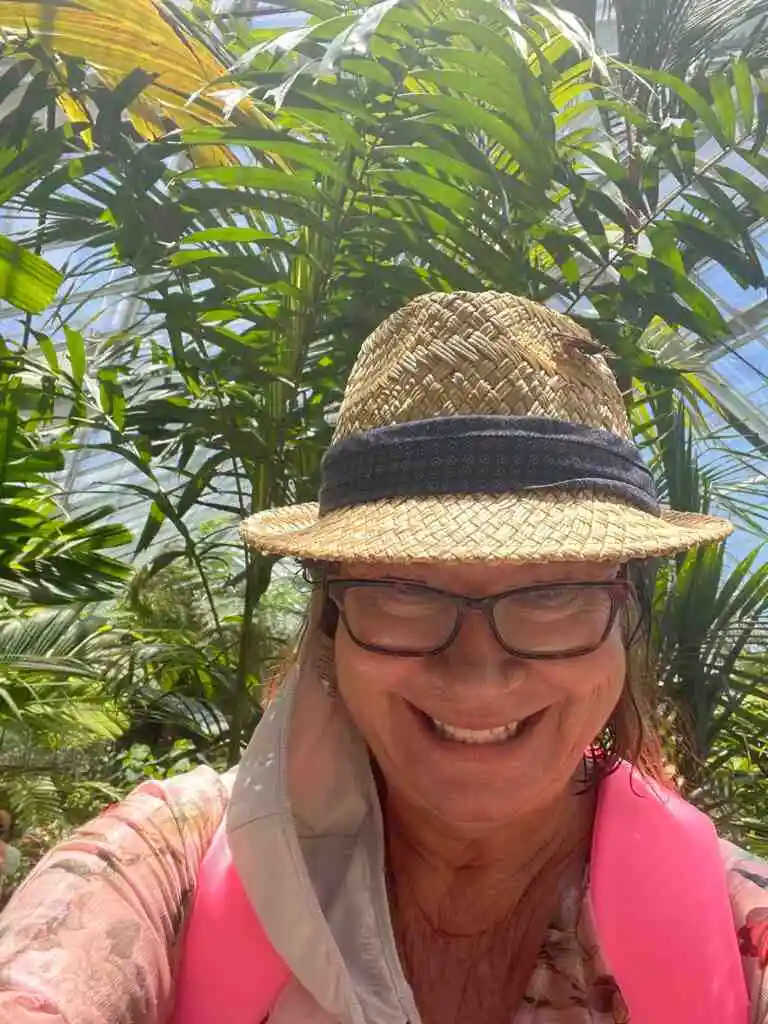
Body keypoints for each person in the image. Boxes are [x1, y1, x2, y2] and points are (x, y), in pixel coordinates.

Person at [1, 291, 767, 1024]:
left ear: (621, 620)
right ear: (330, 625)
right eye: (404, 592)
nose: (477, 672)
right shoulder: (171, 856)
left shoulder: (736, 924)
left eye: (553, 593)